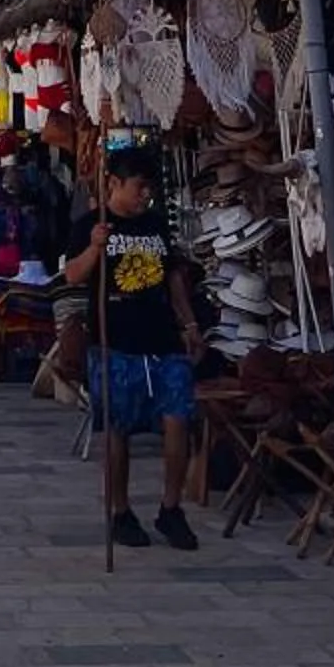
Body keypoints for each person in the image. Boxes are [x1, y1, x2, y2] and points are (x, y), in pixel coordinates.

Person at [61, 138, 203, 552]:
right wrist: (94, 247)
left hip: (162, 338)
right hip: (115, 342)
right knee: (118, 431)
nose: (145, 195)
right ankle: (120, 512)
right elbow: (72, 275)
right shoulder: (89, 224)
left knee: (179, 419)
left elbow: (172, 276)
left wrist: (189, 323)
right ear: (114, 184)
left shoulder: (156, 225)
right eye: (138, 187)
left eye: (149, 189)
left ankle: (171, 508)